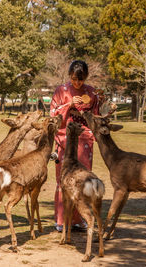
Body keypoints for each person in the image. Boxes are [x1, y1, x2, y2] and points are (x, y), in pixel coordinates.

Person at [50, 60, 102, 232]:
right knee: (64, 180)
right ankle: (62, 220)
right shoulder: (61, 91)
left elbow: (96, 115)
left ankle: (80, 219)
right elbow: (53, 114)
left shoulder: (92, 92)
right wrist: (69, 105)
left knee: (82, 180)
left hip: (84, 139)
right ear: (70, 76)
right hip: (65, 139)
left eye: (80, 80)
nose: (77, 83)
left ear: (85, 77)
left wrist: (93, 108)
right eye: (74, 79)